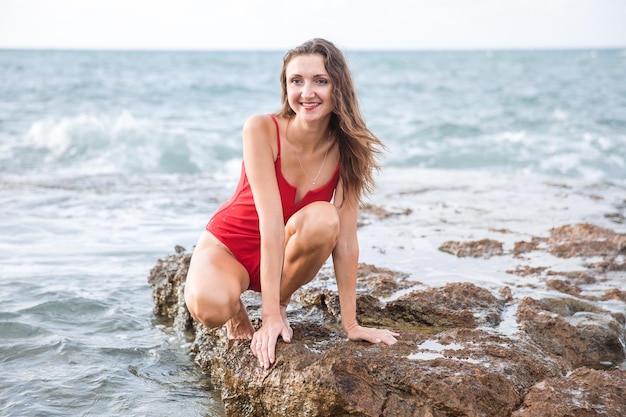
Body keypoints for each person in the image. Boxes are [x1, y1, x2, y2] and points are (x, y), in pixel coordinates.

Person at [184, 38, 399, 370]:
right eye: (296, 81)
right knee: (209, 306)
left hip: (284, 253)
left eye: (320, 81)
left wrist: (351, 325)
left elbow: (345, 241)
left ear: (338, 87)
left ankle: (280, 301)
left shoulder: (348, 150)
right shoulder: (261, 129)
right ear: (286, 87)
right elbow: (269, 221)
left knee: (326, 220)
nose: (307, 92)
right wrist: (265, 317)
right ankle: (242, 310)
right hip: (230, 248)